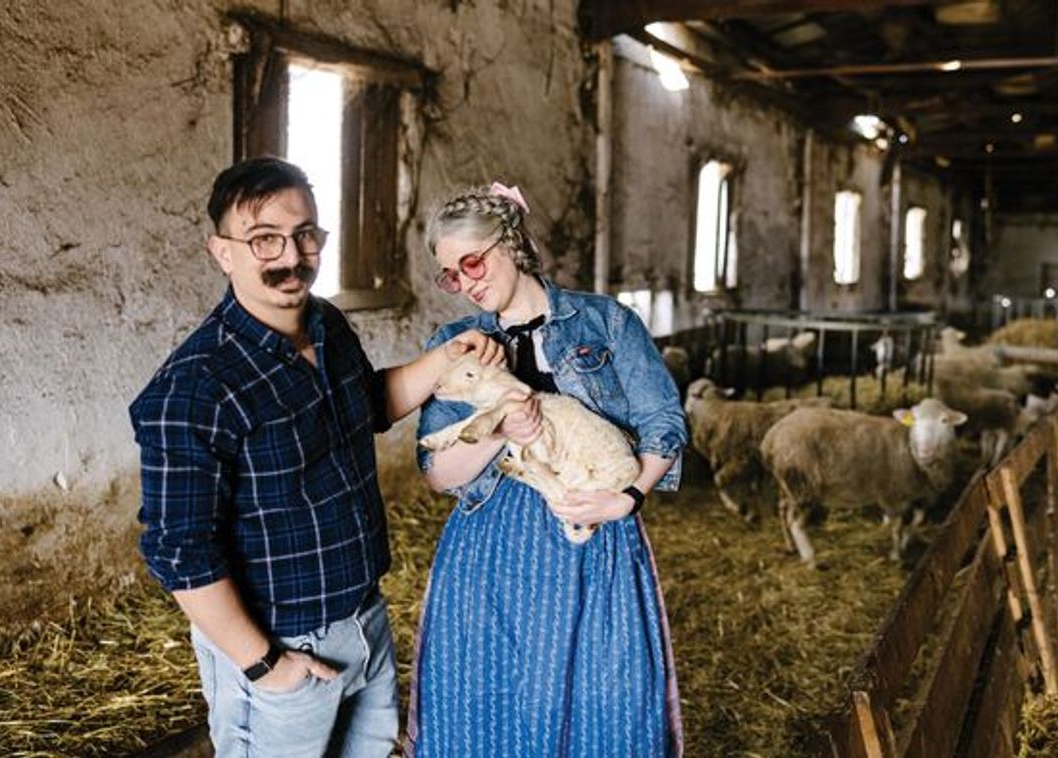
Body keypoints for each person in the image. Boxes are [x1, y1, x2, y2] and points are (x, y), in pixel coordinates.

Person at [129, 156, 501, 757]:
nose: (291, 255)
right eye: (264, 239)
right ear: (222, 252)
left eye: (305, 235)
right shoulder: (195, 388)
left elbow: (367, 405)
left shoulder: (326, 324)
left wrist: (445, 360)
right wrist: (265, 665)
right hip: (280, 645)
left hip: (363, 618)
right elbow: (179, 553)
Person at [405, 182, 688, 756]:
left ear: (510, 243)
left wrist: (629, 496)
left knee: (603, 695)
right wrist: (499, 433)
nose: (466, 283)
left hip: (591, 532)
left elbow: (664, 422)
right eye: (451, 275)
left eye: (472, 262)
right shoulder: (454, 344)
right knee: (485, 695)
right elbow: (437, 472)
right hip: (489, 546)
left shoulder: (605, 322)